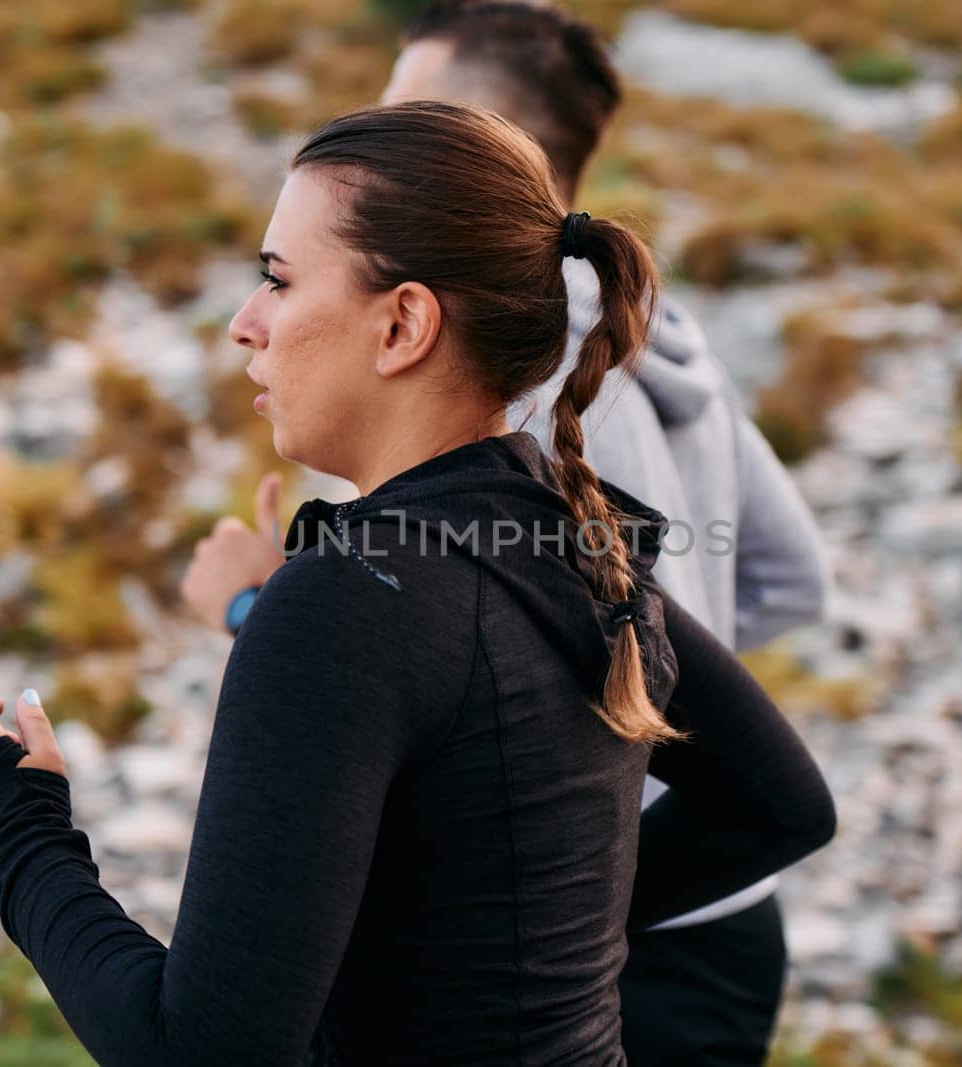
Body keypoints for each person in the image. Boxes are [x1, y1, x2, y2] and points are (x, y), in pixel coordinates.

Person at [0, 99, 835, 1065]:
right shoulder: (573, 536)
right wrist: (542, 949)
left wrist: (14, 835)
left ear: (404, 324)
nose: (246, 325)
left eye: (277, 281)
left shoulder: (341, 603)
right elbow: (778, 804)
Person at [181, 3, 833, 1062]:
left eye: (412, 116)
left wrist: (258, 608)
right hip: (714, 901)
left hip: (614, 928)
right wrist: (645, 678)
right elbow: (785, 578)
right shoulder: (667, 352)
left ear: (487, 147)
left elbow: (479, 642)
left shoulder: (518, 388)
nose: (378, 139)